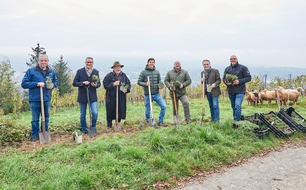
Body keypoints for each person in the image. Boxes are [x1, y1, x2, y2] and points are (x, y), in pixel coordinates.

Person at [21, 54, 58, 142]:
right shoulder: (31, 71)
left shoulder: (51, 71)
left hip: (46, 98)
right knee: (35, 119)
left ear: (47, 61)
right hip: (35, 99)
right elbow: (24, 84)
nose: (43, 62)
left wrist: (53, 85)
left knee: (46, 117)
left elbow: (56, 81)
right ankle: (35, 135)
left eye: (45, 61)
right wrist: (37, 84)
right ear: (38, 61)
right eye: (41, 60)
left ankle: (45, 132)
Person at [73, 57, 101, 133]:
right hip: (82, 96)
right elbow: (74, 83)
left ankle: (93, 127)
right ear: (85, 63)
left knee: (95, 112)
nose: (89, 63)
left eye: (90, 62)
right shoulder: (80, 71)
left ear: (93, 63)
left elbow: (99, 84)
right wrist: (82, 83)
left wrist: (96, 85)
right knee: (82, 114)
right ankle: (84, 129)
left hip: (92, 96)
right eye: (87, 62)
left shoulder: (96, 72)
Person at [137, 58, 167, 126]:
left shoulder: (157, 72)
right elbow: (139, 82)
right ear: (147, 63)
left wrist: (160, 85)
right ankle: (149, 122)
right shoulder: (143, 72)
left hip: (156, 94)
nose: (151, 63)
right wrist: (145, 84)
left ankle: (160, 121)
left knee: (164, 106)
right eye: (150, 62)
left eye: (153, 62)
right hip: (148, 94)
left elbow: (160, 81)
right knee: (148, 110)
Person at [103, 61, 131, 128]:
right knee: (110, 110)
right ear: (113, 68)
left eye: (119, 67)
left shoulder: (123, 75)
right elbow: (105, 85)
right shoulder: (109, 75)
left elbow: (128, 84)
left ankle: (118, 123)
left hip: (121, 97)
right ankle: (109, 125)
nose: (118, 69)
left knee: (120, 110)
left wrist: (123, 89)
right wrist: (113, 84)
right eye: (116, 67)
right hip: (111, 97)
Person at [223, 55, 251, 121]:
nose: (233, 60)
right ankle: (236, 118)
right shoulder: (227, 69)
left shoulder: (243, 68)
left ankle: (237, 121)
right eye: (231, 59)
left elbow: (249, 77)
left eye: (234, 58)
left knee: (237, 105)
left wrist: (239, 81)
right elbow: (224, 78)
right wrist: (226, 82)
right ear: (229, 60)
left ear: (237, 59)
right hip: (231, 90)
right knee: (233, 106)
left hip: (240, 90)